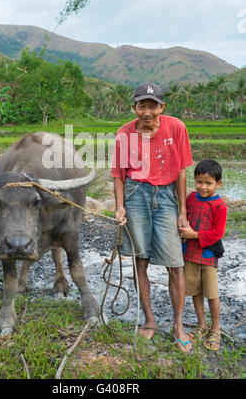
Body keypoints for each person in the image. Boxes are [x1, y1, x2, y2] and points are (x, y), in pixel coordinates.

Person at [111, 82, 193, 353]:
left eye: (153, 106)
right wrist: (120, 207)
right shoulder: (124, 133)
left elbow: (181, 171)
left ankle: (178, 326)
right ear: (134, 107)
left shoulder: (176, 127)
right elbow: (118, 176)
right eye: (142, 105)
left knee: (175, 263)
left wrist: (182, 211)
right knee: (140, 259)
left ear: (162, 107)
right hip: (136, 194)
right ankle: (149, 320)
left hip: (167, 196)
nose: (147, 111)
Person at [179, 159, 227, 351]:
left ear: (218, 184)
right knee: (195, 291)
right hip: (189, 255)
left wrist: (195, 235)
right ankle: (202, 325)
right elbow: (183, 216)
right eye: (200, 181)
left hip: (208, 256)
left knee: (211, 294)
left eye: (209, 183)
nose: (203, 187)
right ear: (195, 180)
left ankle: (215, 328)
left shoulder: (220, 205)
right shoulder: (190, 198)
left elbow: (218, 233)